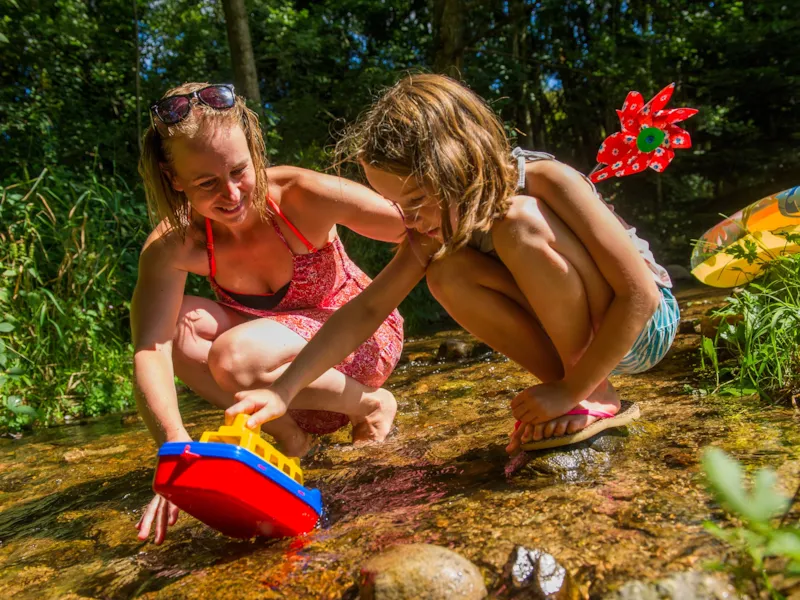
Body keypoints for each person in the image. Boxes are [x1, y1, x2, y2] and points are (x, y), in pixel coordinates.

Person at [225, 73, 680, 456]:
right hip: (585, 342)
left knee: (516, 221)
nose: (408, 220)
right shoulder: (429, 231)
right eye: (397, 206)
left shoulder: (547, 181)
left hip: (640, 327)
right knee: (446, 272)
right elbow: (367, 310)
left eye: (416, 201)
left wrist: (573, 390)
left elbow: (638, 294)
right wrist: (282, 390)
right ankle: (573, 386)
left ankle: (588, 392)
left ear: (458, 165)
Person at [133, 83, 405, 544]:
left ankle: (372, 405)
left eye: (240, 171)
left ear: (255, 152)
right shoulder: (173, 245)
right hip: (280, 381)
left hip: (360, 340)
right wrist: (176, 450)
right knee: (179, 327)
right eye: (206, 184)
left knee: (234, 356)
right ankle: (293, 439)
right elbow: (150, 350)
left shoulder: (300, 195)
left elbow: (416, 226)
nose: (232, 194)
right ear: (174, 178)